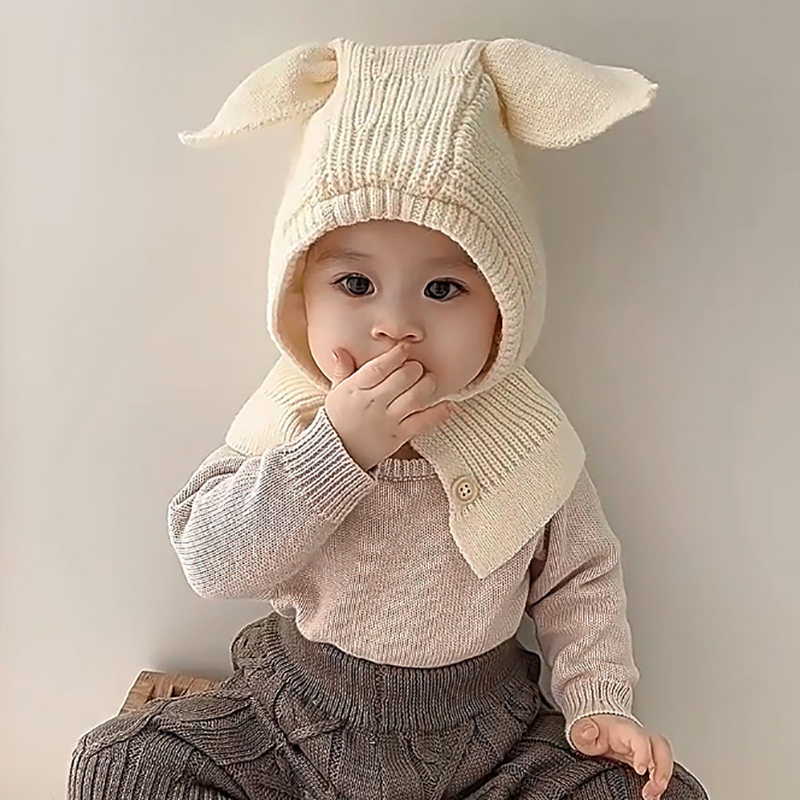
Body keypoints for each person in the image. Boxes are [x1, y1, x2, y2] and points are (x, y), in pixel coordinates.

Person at [68, 36, 709, 800]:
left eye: (443, 291)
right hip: (292, 724)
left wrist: (599, 702)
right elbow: (212, 560)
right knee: (120, 764)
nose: (395, 326)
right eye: (354, 283)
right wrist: (334, 450)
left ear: (504, 311)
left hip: (491, 743)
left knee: (661, 793)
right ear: (301, 298)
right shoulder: (292, 413)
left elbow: (581, 577)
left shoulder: (524, 435)